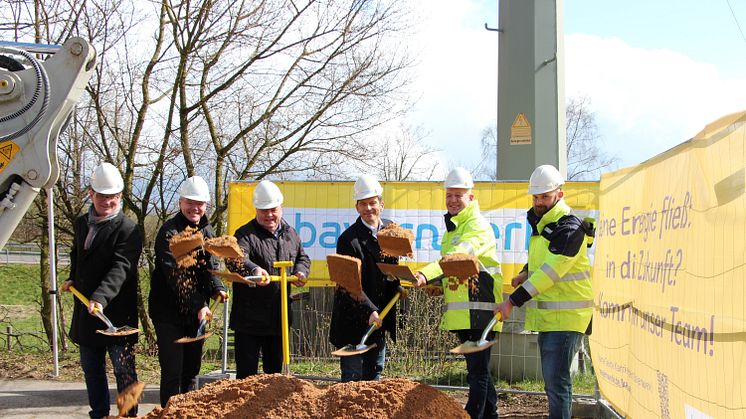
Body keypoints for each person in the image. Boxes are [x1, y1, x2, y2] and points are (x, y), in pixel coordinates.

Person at [494, 164, 593, 419]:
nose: (539, 202)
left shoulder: (569, 228)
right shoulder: (543, 223)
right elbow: (543, 261)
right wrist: (526, 272)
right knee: (554, 384)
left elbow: (550, 272)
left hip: (567, 318)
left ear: (559, 194)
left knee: (557, 385)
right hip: (552, 317)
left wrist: (511, 302)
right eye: (536, 197)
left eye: (545, 197)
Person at [414, 167, 503, 419]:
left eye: (458, 195)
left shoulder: (478, 227)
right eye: (449, 195)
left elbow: (456, 258)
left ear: (471, 198)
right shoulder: (451, 231)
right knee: (479, 369)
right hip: (465, 312)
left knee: (477, 372)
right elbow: (453, 270)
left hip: (480, 310)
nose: (453, 200)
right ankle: (490, 415)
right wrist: (438, 286)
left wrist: (424, 274)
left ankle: (471, 415)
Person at [61, 162, 142, 419]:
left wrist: (100, 297)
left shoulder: (128, 229)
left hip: (116, 313)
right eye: (103, 196)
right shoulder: (81, 222)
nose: (109, 201)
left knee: (124, 370)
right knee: (91, 368)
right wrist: (73, 278)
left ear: (120, 196)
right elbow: (78, 254)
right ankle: (99, 413)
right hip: (88, 310)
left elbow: (122, 267)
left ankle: (129, 415)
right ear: (91, 194)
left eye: (114, 197)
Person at [149, 176, 228, 407]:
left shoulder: (206, 230)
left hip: (195, 314)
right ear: (180, 203)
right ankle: (171, 413)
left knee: (192, 371)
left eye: (200, 204)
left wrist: (218, 287)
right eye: (190, 202)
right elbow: (176, 277)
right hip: (169, 314)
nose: (195, 208)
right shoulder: (168, 233)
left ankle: (187, 412)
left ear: (206, 206)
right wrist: (200, 305)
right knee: (173, 372)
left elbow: (212, 265)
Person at [226, 180, 310, 378]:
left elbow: (302, 257)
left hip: (278, 319)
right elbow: (236, 258)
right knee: (247, 378)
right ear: (256, 209)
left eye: (273, 210)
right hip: (249, 321)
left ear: (280, 208)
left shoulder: (290, 233)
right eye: (264, 211)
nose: (269, 215)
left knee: (273, 376)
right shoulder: (245, 234)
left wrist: (300, 271)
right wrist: (254, 269)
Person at [329, 175, 402, 382]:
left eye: (373, 203)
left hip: (379, 320)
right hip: (353, 320)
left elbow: (392, 268)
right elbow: (348, 284)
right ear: (357, 207)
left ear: (381, 204)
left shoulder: (391, 231)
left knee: (374, 376)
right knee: (353, 379)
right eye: (364, 204)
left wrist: (398, 285)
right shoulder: (348, 240)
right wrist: (369, 309)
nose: (369, 208)